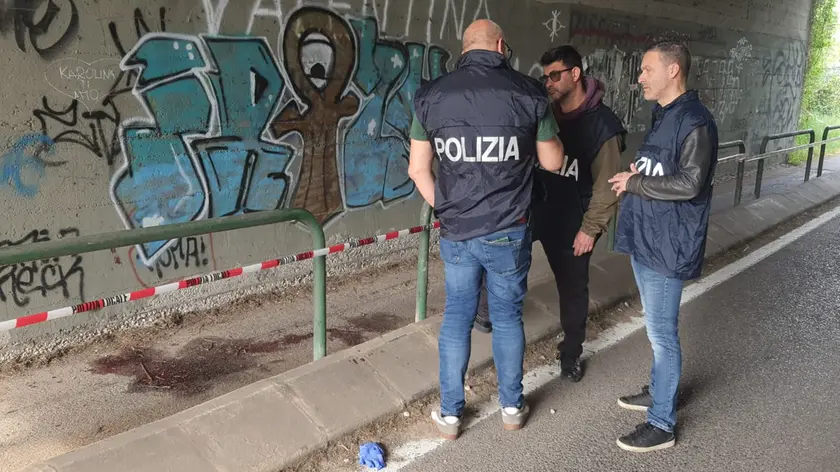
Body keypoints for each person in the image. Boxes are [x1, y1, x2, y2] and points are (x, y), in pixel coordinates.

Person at [407, 19, 565, 440]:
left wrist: (449, 211)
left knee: (457, 316)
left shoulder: (431, 96)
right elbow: (552, 163)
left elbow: (417, 169)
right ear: (500, 46)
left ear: (465, 48)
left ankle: (450, 414)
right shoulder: (529, 93)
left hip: (457, 232)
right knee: (507, 317)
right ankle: (511, 407)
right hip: (509, 230)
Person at [473, 45, 626, 384]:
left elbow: (608, 185)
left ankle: (571, 354)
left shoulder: (603, 126)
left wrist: (591, 229)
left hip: (573, 221)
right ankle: (485, 314)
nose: (549, 83)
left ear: (576, 74)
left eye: (555, 76)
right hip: (534, 210)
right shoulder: (545, 112)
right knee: (495, 258)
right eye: (546, 77)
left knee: (573, 290)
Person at [608, 40, 718, 453]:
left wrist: (636, 182)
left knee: (662, 336)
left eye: (646, 69)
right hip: (647, 236)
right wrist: (639, 173)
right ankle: (658, 392)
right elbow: (664, 167)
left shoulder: (695, 121)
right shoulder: (665, 113)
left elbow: (690, 183)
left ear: (673, 71)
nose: (640, 77)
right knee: (656, 330)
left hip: (669, 244)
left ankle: (662, 424)